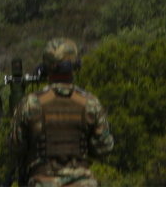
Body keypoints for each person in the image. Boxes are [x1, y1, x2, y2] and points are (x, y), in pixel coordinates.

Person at [8, 38, 114, 186]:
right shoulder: (90, 103)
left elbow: (16, 146)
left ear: (46, 67)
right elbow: (104, 147)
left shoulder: (30, 103)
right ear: (75, 66)